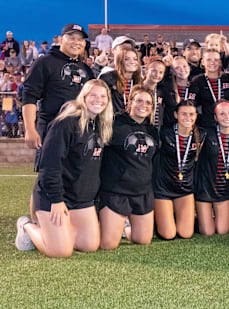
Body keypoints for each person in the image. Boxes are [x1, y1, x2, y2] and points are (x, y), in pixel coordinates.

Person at [15, 80, 113, 256]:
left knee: (89, 245)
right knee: (60, 251)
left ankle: (60, 231)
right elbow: (49, 165)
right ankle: (27, 226)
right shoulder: (65, 123)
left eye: (103, 96)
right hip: (55, 196)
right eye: (93, 95)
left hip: (81, 199)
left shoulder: (100, 125)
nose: (98, 100)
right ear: (83, 97)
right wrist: (56, 200)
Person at [98, 86, 159, 249]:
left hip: (143, 193)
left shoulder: (152, 130)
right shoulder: (113, 124)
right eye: (139, 100)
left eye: (148, 102)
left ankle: (123, 227)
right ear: (129, 102)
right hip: (116, 192)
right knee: (108, 245)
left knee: (143, 240)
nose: (143, 105)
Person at [23, 24, 94, 161]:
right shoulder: (44, 62)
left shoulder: (86, 70)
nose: (76, 42)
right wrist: (30, 129)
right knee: (51, 178)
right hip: (52, 131)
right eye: (72, 38)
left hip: (80, 133)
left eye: (80, 40)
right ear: (61, 39)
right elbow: (29, 96)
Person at [153, 100, 205, 239]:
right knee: (168, 234)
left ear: (196, 115)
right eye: (183, 114)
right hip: (163, 188)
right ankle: (157, 220)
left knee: (186, 233)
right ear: (176, 115)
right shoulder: (164, 132)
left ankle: (174, 217)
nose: (188, 118)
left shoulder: (201, 134)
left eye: (191, 114)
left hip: (185, 189)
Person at [195, 100, 229, 235]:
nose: (227, 117)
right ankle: (197, 219)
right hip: (205, 189)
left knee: (222, 230)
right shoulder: (205, 134)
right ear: (215, 117)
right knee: (208, 232)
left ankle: (209, 217)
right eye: (222, 114)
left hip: (224, 189)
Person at [188, 50, 229, 128]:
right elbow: (192, 103)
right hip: (207, 125)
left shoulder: (228, 78)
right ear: (202, 62)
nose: (212, 63)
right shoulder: (197, 80)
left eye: (216, 60)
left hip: (228, 123)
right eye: (209, 60)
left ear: (220, 62)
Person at [99, 48, 142, 114]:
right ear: (120, 61)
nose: (132, 62)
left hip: (131, 122)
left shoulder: (139, 81)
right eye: (126, 59)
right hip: (112, 122)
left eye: (135, 59)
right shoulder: (108, 78)